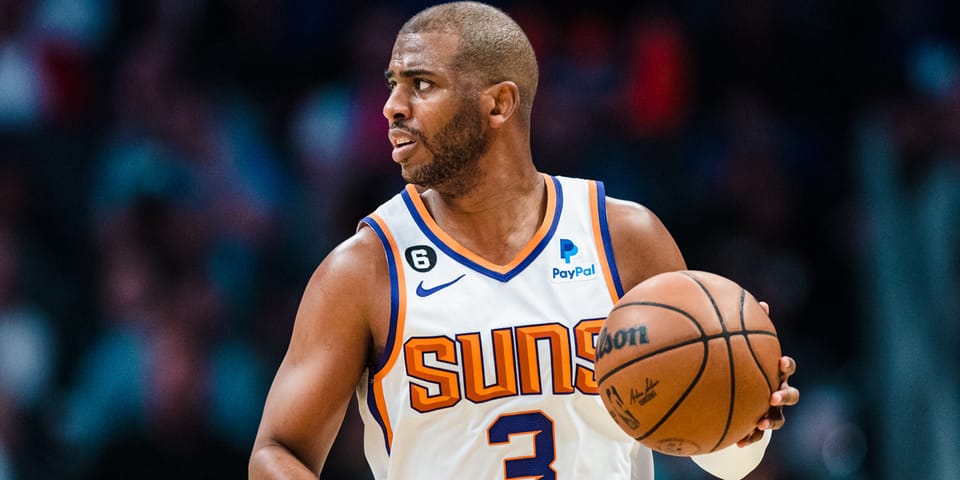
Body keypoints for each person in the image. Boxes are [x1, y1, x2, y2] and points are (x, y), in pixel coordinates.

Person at [249, 2, 799, 479]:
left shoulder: (623, 238)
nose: (392, 105)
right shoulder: (364, 267)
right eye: (393, 84)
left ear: (498, 104)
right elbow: (276, 452)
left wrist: (748, 408)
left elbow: (721, 457)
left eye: (421, 84)